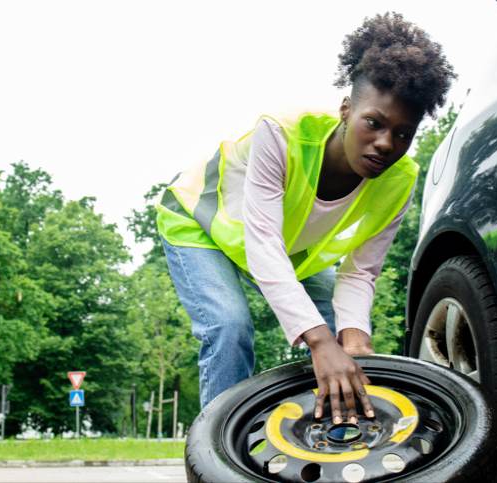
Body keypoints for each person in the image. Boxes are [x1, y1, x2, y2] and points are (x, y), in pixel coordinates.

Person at [156, 12, 455, 424]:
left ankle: (331, 439)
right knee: (230, 327)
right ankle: (216, 457)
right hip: (201, 224)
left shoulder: (400, 180)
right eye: (374, 123)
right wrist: (319, 343)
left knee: (340, 334)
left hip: (281, 245)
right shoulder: (279, 134)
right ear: (346, 110)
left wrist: (353, 337)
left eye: (403, 134)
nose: (386, 144)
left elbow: (360, 273)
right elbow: (263, 243)